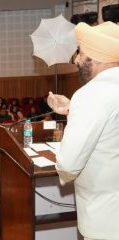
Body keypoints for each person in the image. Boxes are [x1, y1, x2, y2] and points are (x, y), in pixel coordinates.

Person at [47, 22, 119, 240]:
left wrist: (61, 165)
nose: (76, 59)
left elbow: (69, 164)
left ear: (96, 56)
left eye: (80, 52)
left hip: (106, 221)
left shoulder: (90, 94)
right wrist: (72, 110)